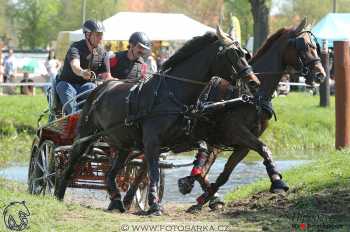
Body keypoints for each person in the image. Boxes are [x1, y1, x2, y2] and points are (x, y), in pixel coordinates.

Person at [56, 19, 111, 115]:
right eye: (97, 35)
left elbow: (107, 76)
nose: (101, 38)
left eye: (101, 34)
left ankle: (91, 119)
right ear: (87, 35)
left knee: (93, 87)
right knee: (62, 86)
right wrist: (82, 72)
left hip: (85, 86)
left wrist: (120, 82)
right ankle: (75, 117)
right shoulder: (75, 47)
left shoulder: (102, 52)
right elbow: (75, 65)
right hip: (68, 84)